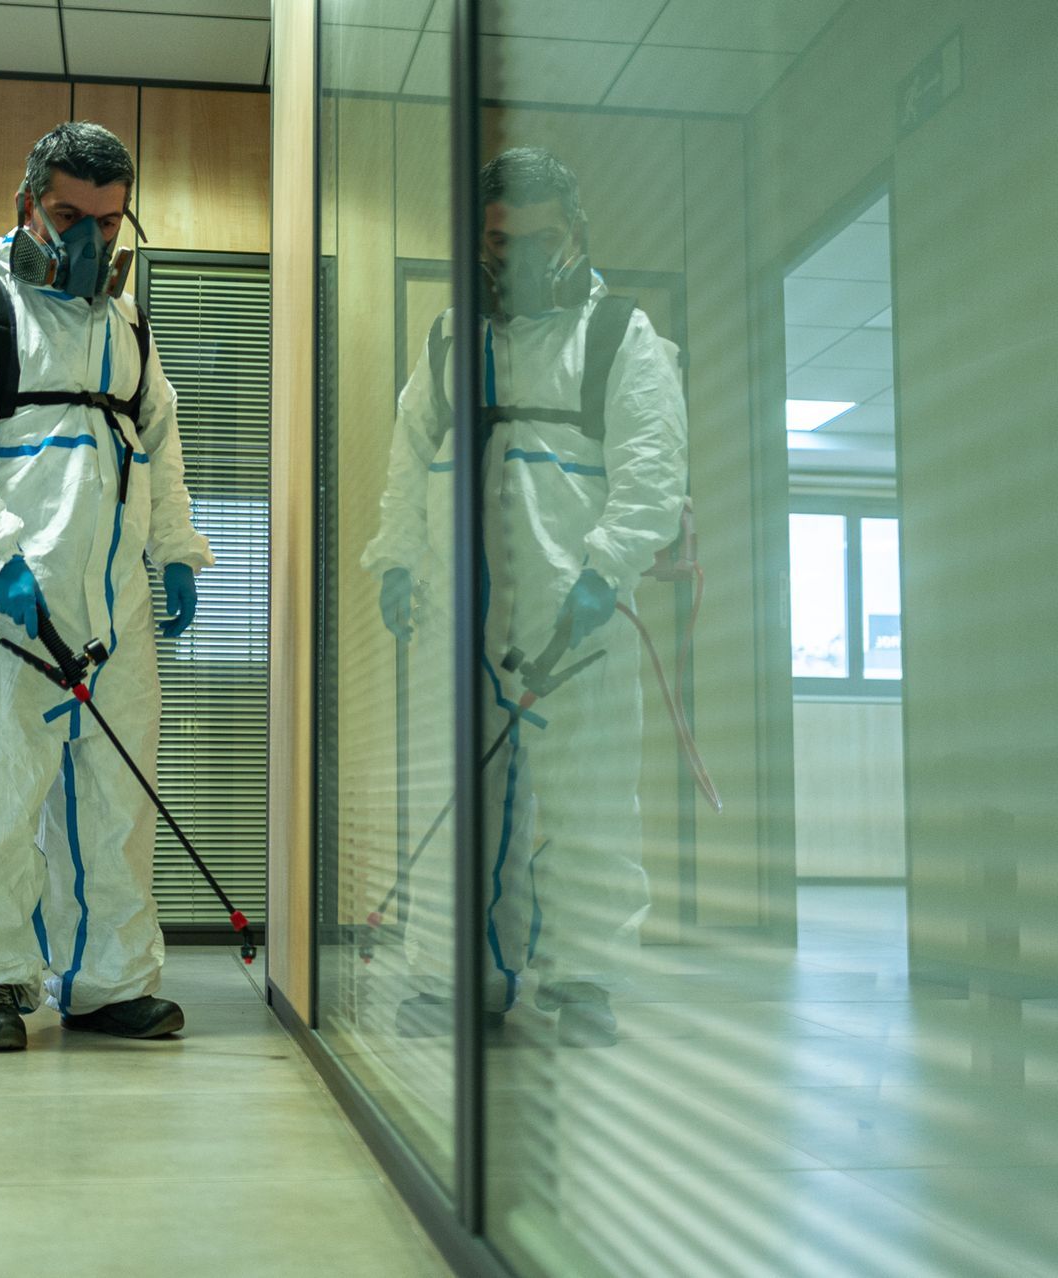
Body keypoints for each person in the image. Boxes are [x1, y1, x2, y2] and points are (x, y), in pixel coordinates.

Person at [362, 147, 688, 1046]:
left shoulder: (623, 339)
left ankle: (585, 981)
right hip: (458, 617)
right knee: (462, 797)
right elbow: (407, 460)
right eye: (499, 243)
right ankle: (459, 976)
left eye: (539, 240)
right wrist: (396, 560)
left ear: (575, 234)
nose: (517, 262)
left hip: (578, 613)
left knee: (588, 804)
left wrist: (604, 574)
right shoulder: (450, 341)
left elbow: (652, 480)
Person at [0, 122, 212, 1052]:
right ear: (25, 202)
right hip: (6, 604)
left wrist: (178, 552)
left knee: (115, 802)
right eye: (69, 215)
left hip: (112, 605)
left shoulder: (126, 325)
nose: (89, 242)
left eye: (110, 224)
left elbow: (158, 442)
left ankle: (108, 982)